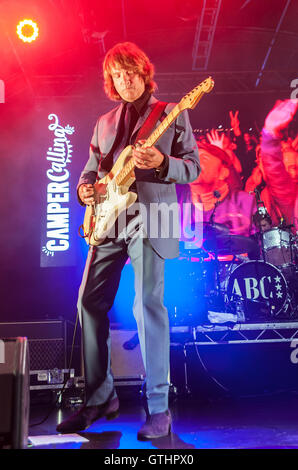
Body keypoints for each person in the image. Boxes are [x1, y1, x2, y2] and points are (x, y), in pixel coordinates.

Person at [56, 42, 200, 439]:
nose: (124, 81)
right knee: (88, 300)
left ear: (144, 74)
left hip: (151, 217)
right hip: (109, 219)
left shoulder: (171, 113)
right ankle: (100, 397)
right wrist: (85, 190)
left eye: (130, 73)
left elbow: (194, 167)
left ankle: (158, 407)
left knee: (146, 305)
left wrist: (163, 162)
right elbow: (90, 171)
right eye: (117, 75)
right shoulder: (103, 122)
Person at [260, 99, 298, 232]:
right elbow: (275, 170)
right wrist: (270, 133)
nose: (294, 174)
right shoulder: (291, 197)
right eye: (288, 170)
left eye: (296, 167)